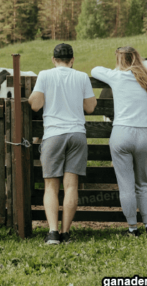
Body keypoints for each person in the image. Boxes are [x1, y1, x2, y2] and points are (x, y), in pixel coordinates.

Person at [91, 46, 147, 237]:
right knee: (143, 184)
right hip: (144, 134)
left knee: (126, 185)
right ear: (137, 58)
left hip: (121, 133)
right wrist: (142, 68)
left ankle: (132, 229)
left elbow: (94, 70)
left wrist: (118, 68)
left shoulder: (115, 76)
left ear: (119, 59)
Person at [28, 43, 97, 245]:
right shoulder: (82, 76)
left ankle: (53, 233)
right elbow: (91, 107)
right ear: (72, 60)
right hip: (77, 134)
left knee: (50, 186)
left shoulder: (45, 75)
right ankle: (66, 233)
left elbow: (36, 104)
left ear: (53, 60)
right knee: (71, 185)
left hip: (54, 134)